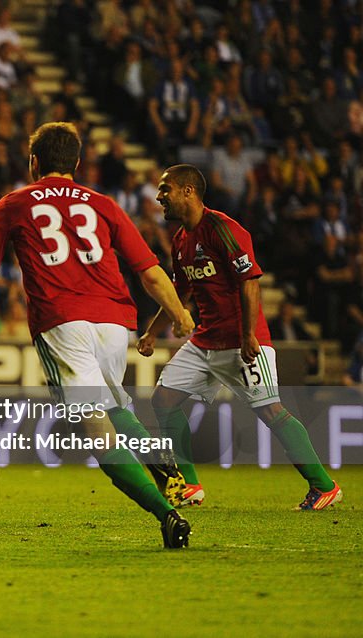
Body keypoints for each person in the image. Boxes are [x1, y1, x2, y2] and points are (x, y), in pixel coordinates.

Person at [0, 122, 196, 548]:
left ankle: (166, 514)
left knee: (97, 434)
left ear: (34, 162)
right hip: (116, 323)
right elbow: (150, 272)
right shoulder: (103, 204)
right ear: (77, 164)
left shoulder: (15, 203)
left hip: (63, 322)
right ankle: (160, 459)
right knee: (116, 406)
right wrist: (179, 314)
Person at [137, 164, 342, 511]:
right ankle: (188, 485)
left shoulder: (223, 229)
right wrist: (151, 333)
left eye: (165, 189)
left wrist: (248, 334)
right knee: (163, 401)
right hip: (205, 341)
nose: (159, 197)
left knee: (271, 412)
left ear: (188, 191)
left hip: (243, 340)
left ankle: (324, 486)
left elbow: (250, 281)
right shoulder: (181, 240)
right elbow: (180, 291)